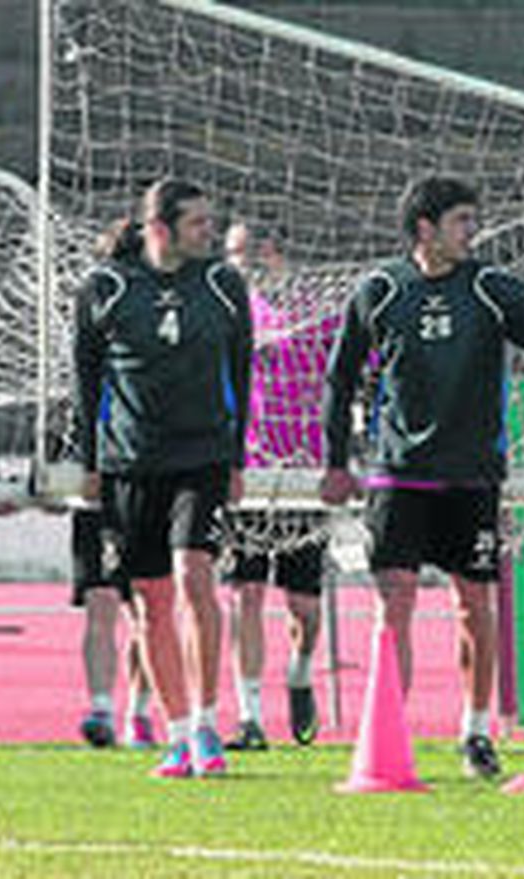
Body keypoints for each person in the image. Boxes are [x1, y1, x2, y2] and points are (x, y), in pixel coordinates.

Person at [320, 175, 524, 779]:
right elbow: (339, 377)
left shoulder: (488, 288)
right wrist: (335, 460)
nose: (472, 231)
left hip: (472, 474)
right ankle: (389, 732)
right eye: (461, 220)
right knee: (394, 605)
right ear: (424, 228)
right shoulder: (380, 290)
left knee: (474, 606)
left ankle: (476, 732)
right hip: (399, 473)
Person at [74, 178, 253, 778]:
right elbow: (86, 382)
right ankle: (176, 735)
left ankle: (206, 724)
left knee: (195, 575)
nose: (209, 231)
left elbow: (241, 372)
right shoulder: (106, 288)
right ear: (159, 229)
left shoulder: (222, 284)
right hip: (131, 462)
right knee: (150, 602)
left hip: (202, 456)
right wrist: (90, 462)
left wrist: (236, 459)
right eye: (197, 222)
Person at [221, 220, 326, 750]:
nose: (235, 264)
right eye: (229, 255)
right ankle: (250, 716)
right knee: (246, 595)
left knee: (303, 606)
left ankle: (301, 672)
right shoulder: (226, 313)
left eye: (241, 253)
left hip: (305, 472)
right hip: (248, 472)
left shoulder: (317, 311)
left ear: (269, 252)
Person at [72, 506, 156, 749]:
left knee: (146, 614)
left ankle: (139, 713)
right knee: (100, 602)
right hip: (98, 509)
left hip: (146, 506)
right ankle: (102, 711)